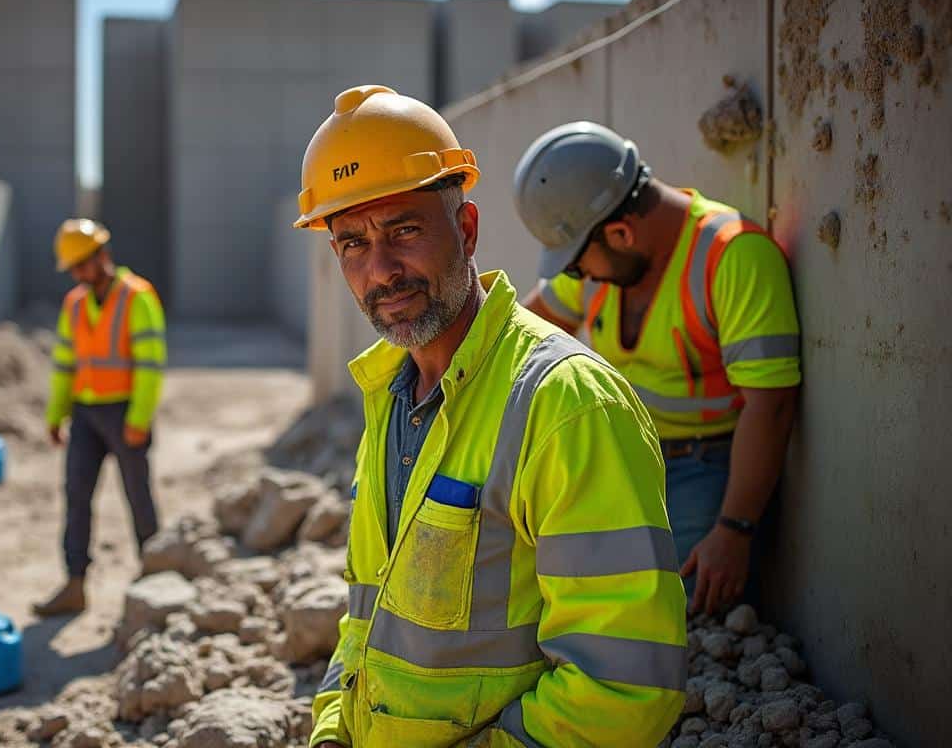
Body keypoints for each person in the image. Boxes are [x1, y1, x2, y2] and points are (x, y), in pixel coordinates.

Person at [297, 86, 685, 748]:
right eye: (352, 244)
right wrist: (333, 728)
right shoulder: (388, 397)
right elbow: (364, 618)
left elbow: (624, 689)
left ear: (467, 229)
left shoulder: (566, 404)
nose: (380, 271)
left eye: (403, 230)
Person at [514, 122, 801, 616]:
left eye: (577, 266)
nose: (577, 277)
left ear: (621, 233)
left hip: (702, 465)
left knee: (667, 611)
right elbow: (524, 335)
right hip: (617, 455)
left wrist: (733, 529)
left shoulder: (733, 257)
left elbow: (771, 407)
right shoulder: (603, 256)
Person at [32, 219, 167, 617]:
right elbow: (64, 364)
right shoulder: (74, 304)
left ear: (102, 256)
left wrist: (139, 418)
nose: (77, 274)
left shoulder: (137, 296)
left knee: (137, 496)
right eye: (72, 268)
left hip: (125, 411)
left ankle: (155, 579)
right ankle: (75, 584)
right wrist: (56, 414)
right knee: (76, 495)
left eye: (81, 264)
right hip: (86, 414)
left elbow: (150, 364)